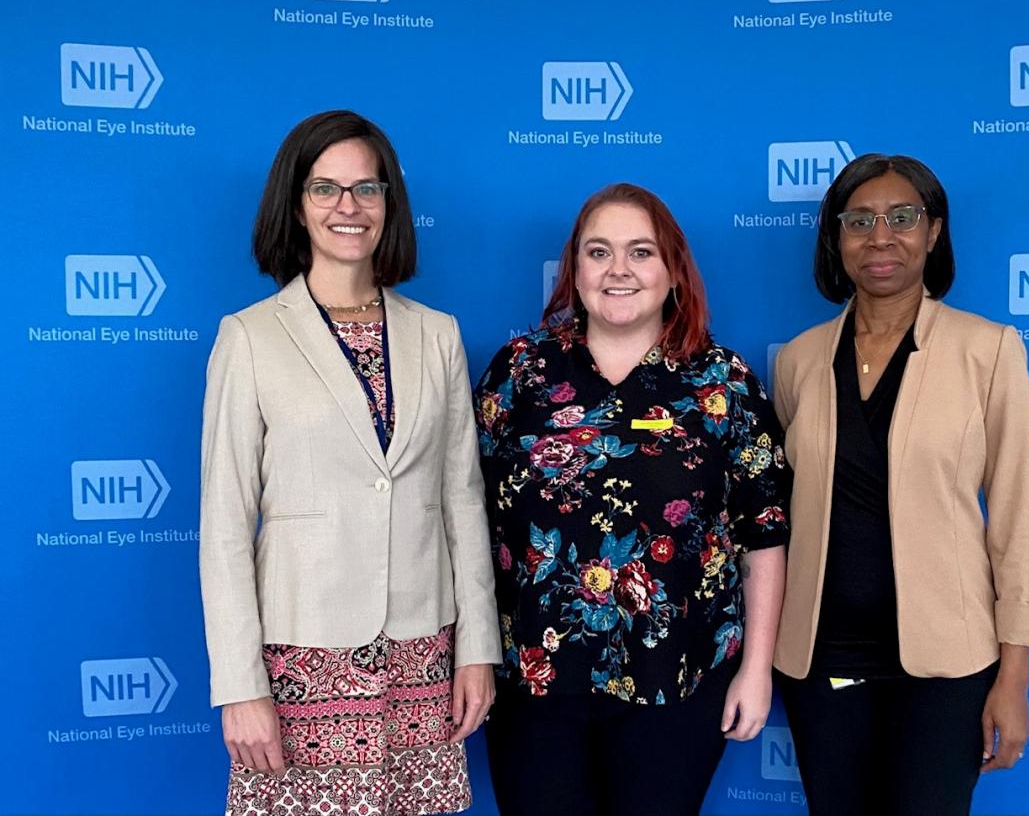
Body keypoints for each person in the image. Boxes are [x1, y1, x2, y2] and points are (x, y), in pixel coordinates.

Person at [199, 110, 500, 816]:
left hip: (422, 654)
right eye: (325, 188)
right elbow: (222, 524)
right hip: (302, 661)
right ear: (295, 205)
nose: (348, 207)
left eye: (367, 189)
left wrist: (477, 648)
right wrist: (239, 685)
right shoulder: (247, 338)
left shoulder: (437, 335)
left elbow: (462, 501)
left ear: (389, 204)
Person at [473, 183, 791, 816]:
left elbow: (764, 537)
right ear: (575, 271)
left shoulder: (722, 383)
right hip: (534, 685)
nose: (618, 270)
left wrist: (757, 671)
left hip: (677, 682)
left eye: (640, 252)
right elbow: (468, 521)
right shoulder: (519, 373)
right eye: (599, 252)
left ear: (673, 270)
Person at [771, 154, 1029, 816]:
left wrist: (1015, 672)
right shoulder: (797, 360)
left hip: (947, 667)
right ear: (838, 240)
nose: (881, 236)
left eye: (903, 217)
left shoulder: (989, 350)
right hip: (822, 658)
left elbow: (1015, 521)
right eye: (859, 220)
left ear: (933, 231)